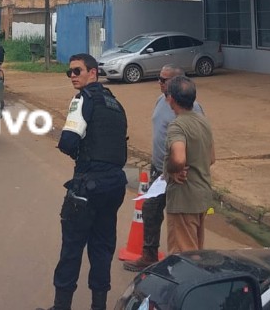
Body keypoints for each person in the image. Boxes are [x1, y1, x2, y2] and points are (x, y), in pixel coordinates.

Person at [37, 54, 128, 310]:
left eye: (77, 71)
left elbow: (68, 141)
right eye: (70, 73)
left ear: (93, 73)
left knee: (72, 250)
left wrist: (80, 153)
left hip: (88, 185)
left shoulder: (82, 99)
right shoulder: (115, 103)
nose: (73, 76)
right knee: (102, 250)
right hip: (114, 186)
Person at [123, 65, 204, 272]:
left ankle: (184, 266)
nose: (159, 82)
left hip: (178, 173)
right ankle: (149, 254)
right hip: (159, 169)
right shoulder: (161, 101)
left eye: (164, 80)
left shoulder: (192, 109)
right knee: (151, 210)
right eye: (159, 78)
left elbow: (196, 142)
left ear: (177, 83)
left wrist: (180, 166)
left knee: (180, 224)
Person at [164, 76, 215, 255]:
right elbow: (211, 158)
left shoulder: (177, 126)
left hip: (183, 199)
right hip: (201, 195)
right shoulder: (203, 121)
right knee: (196, 253)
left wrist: (172, 170)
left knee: (182, 257)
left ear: (171, 98)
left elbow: (178, 159)